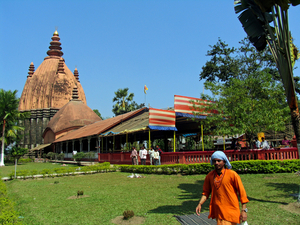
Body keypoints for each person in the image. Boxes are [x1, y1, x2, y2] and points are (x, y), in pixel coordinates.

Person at [196, 151, 249, 225]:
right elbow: (206, 192)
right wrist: (200, 204)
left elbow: (242, 193)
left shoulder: (232, 175)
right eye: (214, 161)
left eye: (219, 161)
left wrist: (244, 210)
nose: (216, 163)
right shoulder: (210, 176)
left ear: (224, 161)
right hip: (218, 211)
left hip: (231, 211)